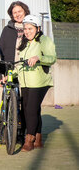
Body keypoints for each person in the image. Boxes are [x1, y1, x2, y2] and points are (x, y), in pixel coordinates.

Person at [15, 15, 56, 152]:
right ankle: (38, 139)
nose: (27, 31)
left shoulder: (44, 40)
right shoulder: (24, 42)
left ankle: (29, 139)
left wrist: (39, 57)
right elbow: (20, 63)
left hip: (39, 82)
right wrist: (11, 75)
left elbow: (52, 58)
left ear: (38, 28)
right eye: (25, 29)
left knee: (30, 110)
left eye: (30, 28)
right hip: (25, 83)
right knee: (31, 109)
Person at [0, 1, 31, 139]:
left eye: (19, 11)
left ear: (25, 11)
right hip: (10, 70)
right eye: (14, 12)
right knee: (8, 101)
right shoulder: (7, 30)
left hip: (27, 71)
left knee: (26, 103)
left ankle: (23, 132)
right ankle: (6, 133)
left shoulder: (31, 27)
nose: (17, 14)